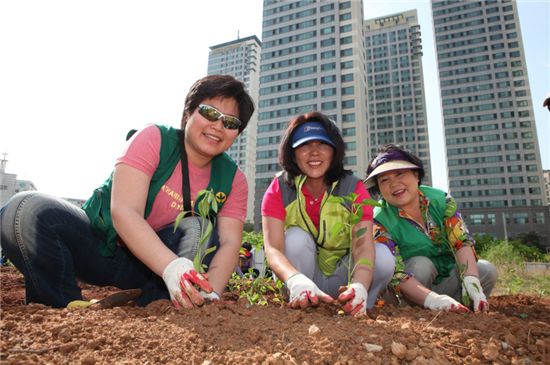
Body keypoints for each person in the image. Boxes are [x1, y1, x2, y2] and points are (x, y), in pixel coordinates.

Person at [0, 75, 254, 309]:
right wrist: (172, 266)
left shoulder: (233, 179)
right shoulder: (154, 138)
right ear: (188, 113)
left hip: (154, 275)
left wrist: (213, 293)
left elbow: (230, 241)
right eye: (209, 112)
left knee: (199, 228)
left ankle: (167, 304)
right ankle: (64, 306)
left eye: (230, 122)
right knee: (24, 210)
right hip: (104, 247)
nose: (218, 126)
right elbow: (124, 210)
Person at [261, 112, 395, 316]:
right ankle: (301, 300)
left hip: (343, 278)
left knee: (383, 257)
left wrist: (359, 284)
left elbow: (363, 246)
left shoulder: (353, 187)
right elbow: (273, 250)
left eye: (323, 145)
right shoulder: (280, 188)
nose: (314, 152)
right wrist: (295, 279)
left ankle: (359, 303)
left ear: (334, 151)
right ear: (293, 153)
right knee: (295, 238)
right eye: (305, 145)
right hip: (304, 278)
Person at [364, 144, 498, 313]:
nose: (394, 183)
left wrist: (472, 281)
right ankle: (419, 308)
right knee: (422, 265)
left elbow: (461, 242)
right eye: (384, 180)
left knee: (486, 271)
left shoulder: (442, 200)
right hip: (407, 289)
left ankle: (458, 305)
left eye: (399, 174)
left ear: (416, 175)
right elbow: (397, 275)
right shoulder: (378, 219)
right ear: (379, 190)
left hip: (442, 280)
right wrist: (434, 300)